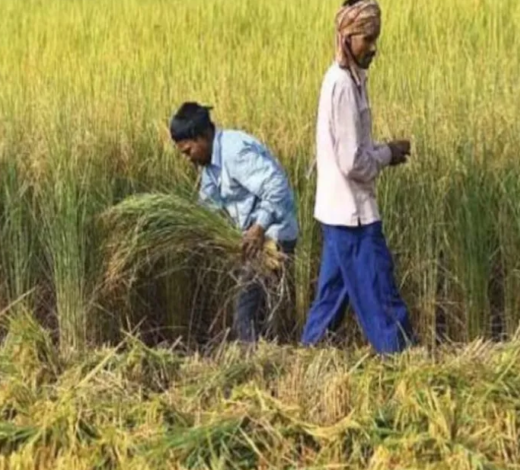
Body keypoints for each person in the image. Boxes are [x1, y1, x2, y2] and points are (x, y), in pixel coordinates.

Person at [300, 0, 415, 354]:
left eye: (375, 38)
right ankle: (402, 361)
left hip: (340, 212)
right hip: (353, 215)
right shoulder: (342, 86)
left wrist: (382, 151)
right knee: (379, 290)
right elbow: (351, 162)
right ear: (346, 37)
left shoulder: (351, 79)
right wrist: (387, 154)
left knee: (333, 295)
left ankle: (307, 356)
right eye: (367, 38)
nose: (373, 47)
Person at [169, 102, 299, 344]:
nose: (188, 158)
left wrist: (259, 228)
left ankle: (256, 360)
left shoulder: (235, 152)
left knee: (245, 311)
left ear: (202, 137)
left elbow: (277, 187)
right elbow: (208, 206)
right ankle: (267, 354)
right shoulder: (209, 165)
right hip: (253, 241)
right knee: (255, 309)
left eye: (188, 151)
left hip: (272, 237)